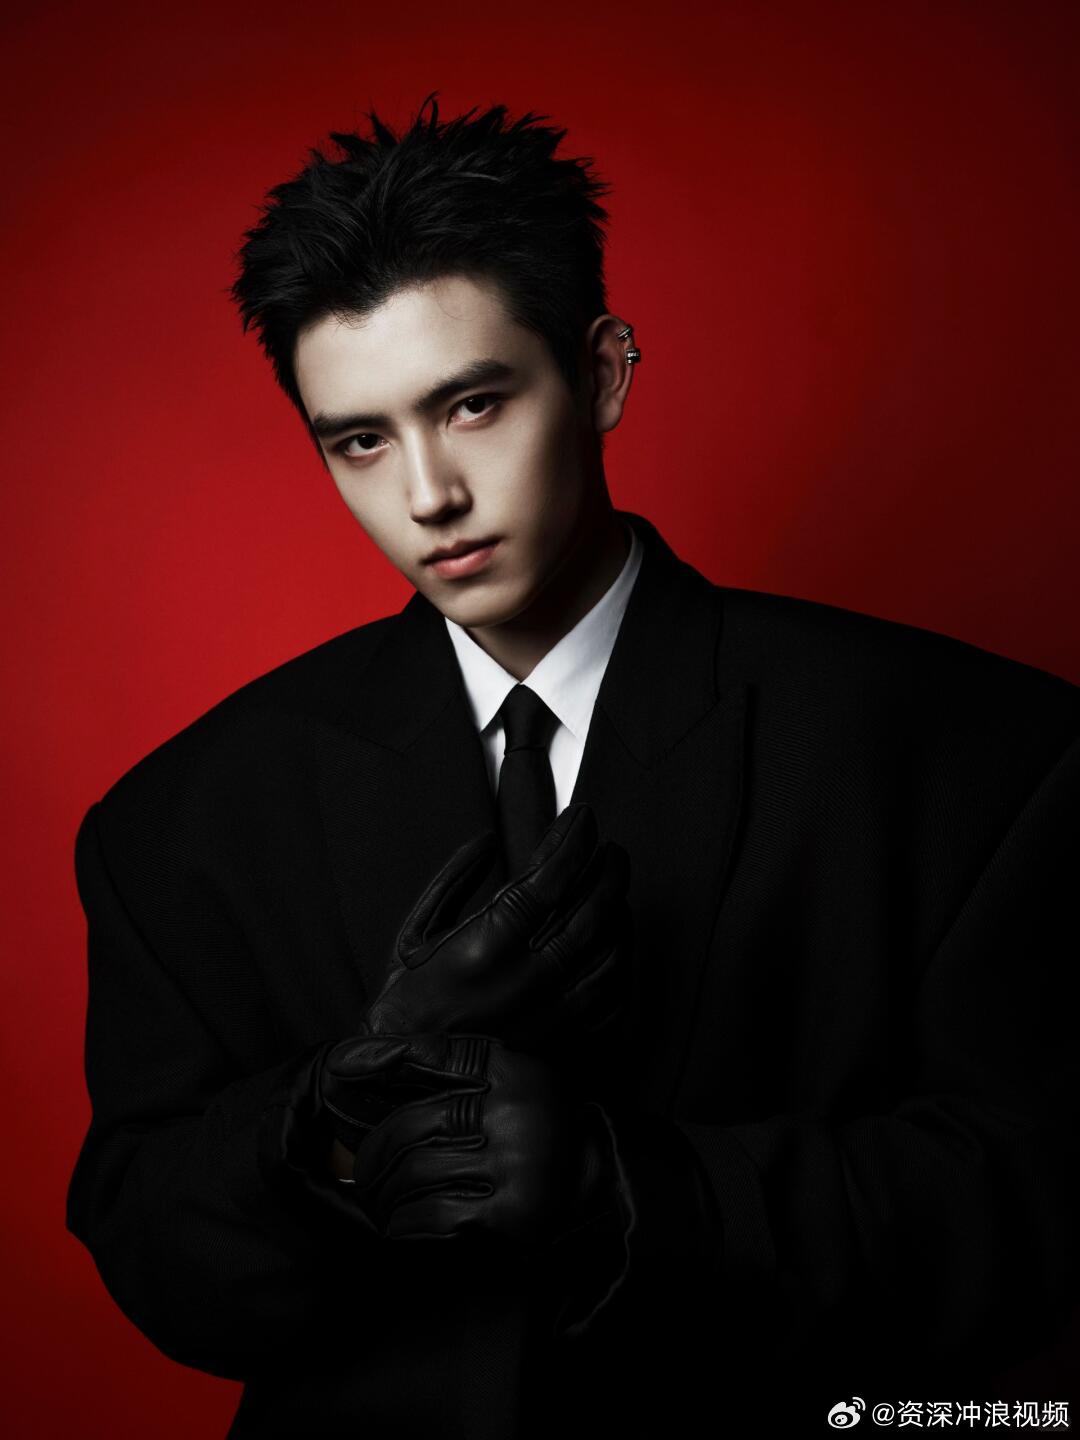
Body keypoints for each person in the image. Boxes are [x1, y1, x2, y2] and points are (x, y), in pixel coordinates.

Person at [67, 95, 1079, 1437]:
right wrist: (336, 1119)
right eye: (360, 439)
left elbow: (1039, 1202)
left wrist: (631, 1189)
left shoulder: (969, 754)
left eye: (474, 404)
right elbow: (156, 1255)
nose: (428, 494)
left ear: (601, 375)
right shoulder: (180, 823)